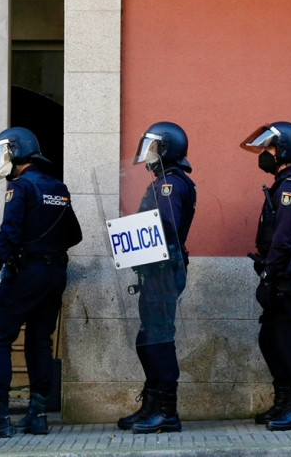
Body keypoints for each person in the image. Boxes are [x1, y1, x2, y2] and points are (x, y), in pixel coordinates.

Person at [0, 127, 82, 439]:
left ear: (15, 152)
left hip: (26, 272)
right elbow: (74, 235)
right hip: (55, 274)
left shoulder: (20, 187)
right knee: (39, 340)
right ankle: (37, 415)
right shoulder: (59, 186)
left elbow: (8, 235)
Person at [116, 122, 197, 434]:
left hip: (164, 268)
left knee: (160, 340)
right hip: (156, 269)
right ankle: (151, 404)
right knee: (148, 338)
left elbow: (165, 226)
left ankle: (166, 411)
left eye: (153, 148)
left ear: (167, 149)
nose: (148, 155)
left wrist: (134, 233)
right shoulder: (166, 181)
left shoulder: (171, 184)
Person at [240, 122, 291, 431]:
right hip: (279, 270)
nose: (264, 155)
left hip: (286, 271)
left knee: (288, 338)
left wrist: (271, 274)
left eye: (269, 149)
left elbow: (283, 237)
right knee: (271, 338)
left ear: (284, 151)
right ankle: (284, 400)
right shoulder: (285, 183)